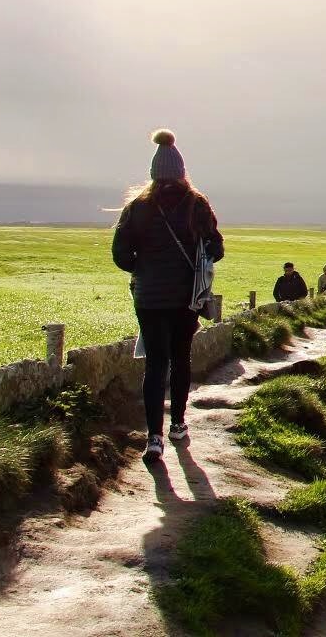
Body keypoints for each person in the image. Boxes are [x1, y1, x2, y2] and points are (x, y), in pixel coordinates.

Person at [112, 130, 225, 463]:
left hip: (148, 298)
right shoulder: (197, 205)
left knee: (156, 364)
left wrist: (143, 268)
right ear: (181, 171)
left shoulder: (137, 208)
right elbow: (217, 249)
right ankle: (177, 424)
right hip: (185, 298)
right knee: (181, 359)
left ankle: (154, 438)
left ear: (153, 173)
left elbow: (120, 255)